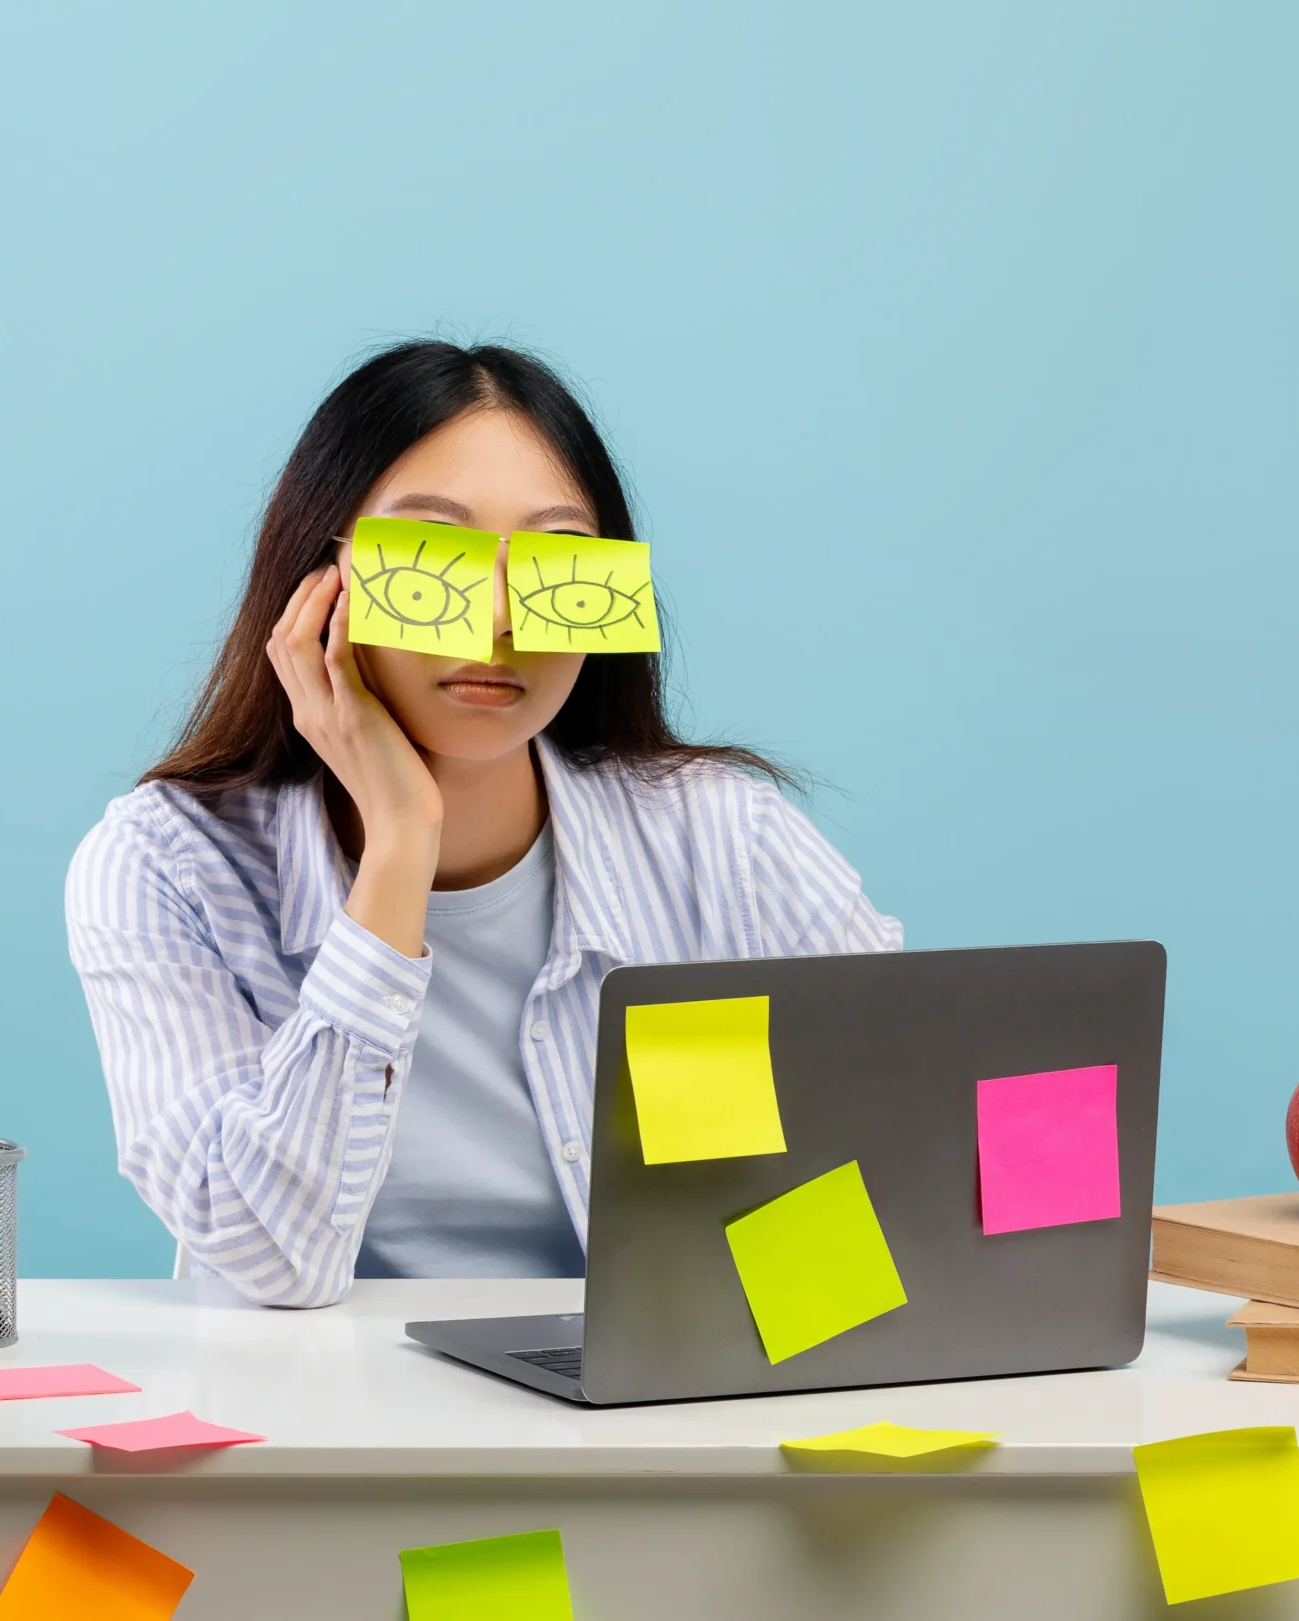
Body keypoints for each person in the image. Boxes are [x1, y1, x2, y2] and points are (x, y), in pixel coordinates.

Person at [65, 341, 900, 1307]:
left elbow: (898, 1135)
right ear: (319, 582)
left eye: (557, 565)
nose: (499, 622)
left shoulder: (722, 839)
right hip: (315, 1434)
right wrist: (400, 843)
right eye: (431, 559)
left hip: (649, 1425)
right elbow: (267, 1258)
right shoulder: (165, 864)